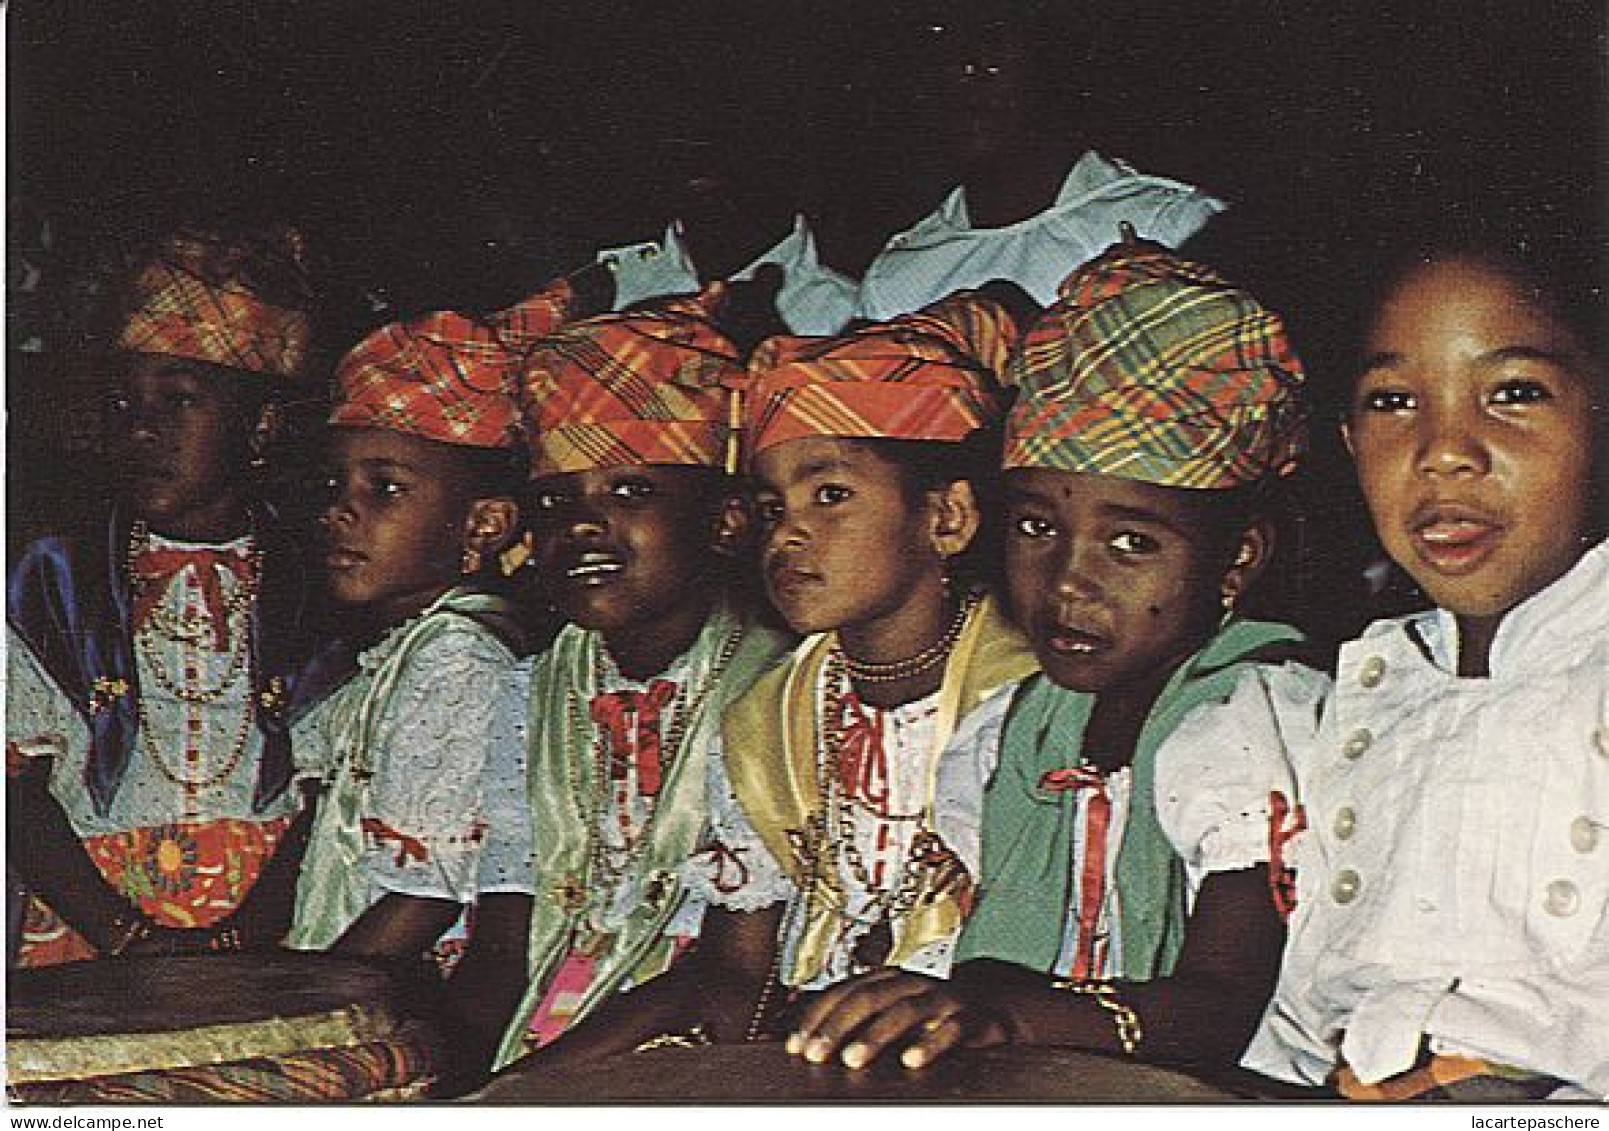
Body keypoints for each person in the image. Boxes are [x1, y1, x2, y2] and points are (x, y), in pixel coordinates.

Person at [785, 240, 1318, 1080]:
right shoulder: (1013, 725)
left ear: (1239, 558)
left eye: (1131, 543)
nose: (1068, 580)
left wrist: (1001, 1016)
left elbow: (1221, 1001)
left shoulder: (1246, 715)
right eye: (1035, 527)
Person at [1241, 231, 1609, 1101]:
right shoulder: (1364, 690)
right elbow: (1302, 1015)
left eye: (1513, 393)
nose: (1445, 450)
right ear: (1345, 441)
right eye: (1393, 400)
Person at [472, 287, 795, 1081]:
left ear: (724, 520)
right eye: (554, 501)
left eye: (629, 491)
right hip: (545, 1037)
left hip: (700, 1053)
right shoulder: (532, 691)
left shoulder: (775, 691)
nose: (581, 525)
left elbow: (730, 978)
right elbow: (501, 940)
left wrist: (516, 1091)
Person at [6, 224, 338, 966]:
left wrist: (237, 941)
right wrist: (127, 937)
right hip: (94, 929)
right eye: (123, 407)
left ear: (261, 426)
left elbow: (329, 803)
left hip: (269, 936)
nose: (143, 428)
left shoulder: (316, 584)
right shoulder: (54, 579)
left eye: (179, 400)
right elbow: (16, 792)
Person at [284, 281, 580, 969]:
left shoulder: (458, 659)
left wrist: (305, 1006)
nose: (338, 512)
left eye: (384, 487)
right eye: (333, 485)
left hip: (392, 993)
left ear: (484, 523)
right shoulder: (407, 647)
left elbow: (427, 896)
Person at [853, 10, 1225, 322]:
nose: (967, 88)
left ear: (1055, 73)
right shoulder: (897, 277)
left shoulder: (1169, 221)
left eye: (991, 65)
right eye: (953, 67)